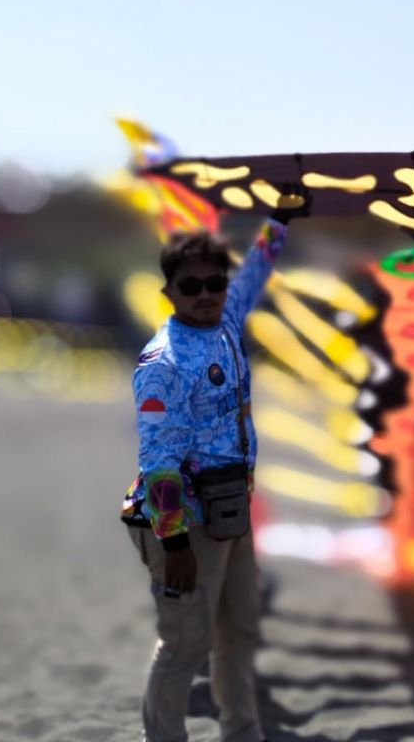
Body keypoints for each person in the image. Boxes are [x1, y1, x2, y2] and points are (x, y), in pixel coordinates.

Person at [120, 204, 303, 742]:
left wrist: (280, 223)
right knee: (185, 647)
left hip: (233, 513)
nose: (206, 293)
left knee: (240, 633)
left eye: (213, 282)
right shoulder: (163, 364)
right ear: (170, 293)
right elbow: (158, 460)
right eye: (191, 284)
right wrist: (173, 544)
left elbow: (253, 274)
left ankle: (244, 735)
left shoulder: (224, 320)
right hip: (187, 526)